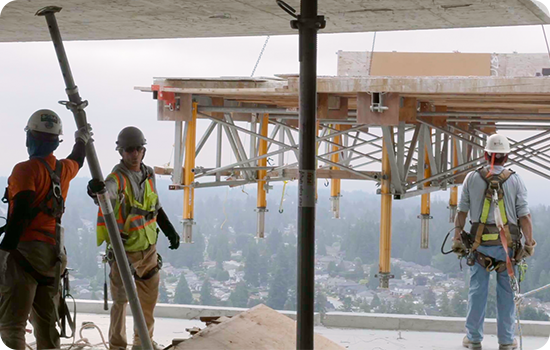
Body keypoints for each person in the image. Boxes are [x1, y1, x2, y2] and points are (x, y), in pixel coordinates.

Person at [0, 109, 91, 349]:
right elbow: (78, 159)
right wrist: (81, 139)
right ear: (54, 142)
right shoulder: (62, 170)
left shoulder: (24, 170)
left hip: (23, 255)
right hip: (52, 257)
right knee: (47, 327)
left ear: (29, 138)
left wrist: (3, 253)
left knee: (12, 328)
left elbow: (19, 216)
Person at [88, 126, 180, 350]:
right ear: (121, 152)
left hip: (147, 250)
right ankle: (117, 346)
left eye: (137, 149)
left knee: (147, 302)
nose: (134, 154)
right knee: (120, 302)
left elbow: (154, 206)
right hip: (123, 252)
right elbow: (106, 191)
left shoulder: (148, 174)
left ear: (143, 151)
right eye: (129, 150)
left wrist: (169, 230)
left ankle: (143, 343)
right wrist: (95, 190)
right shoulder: (117, 177)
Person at [453, 133, 536, 350]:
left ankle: (473, 339)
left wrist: (456, 238)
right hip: (508, 250)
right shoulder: (515, 180)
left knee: (477, 292)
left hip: (479, 247)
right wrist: (529, 243)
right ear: (506, 157)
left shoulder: (472, 178)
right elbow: (524, 216)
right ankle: (507, 341)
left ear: (485, 154)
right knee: (507, 295)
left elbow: (461, 212)